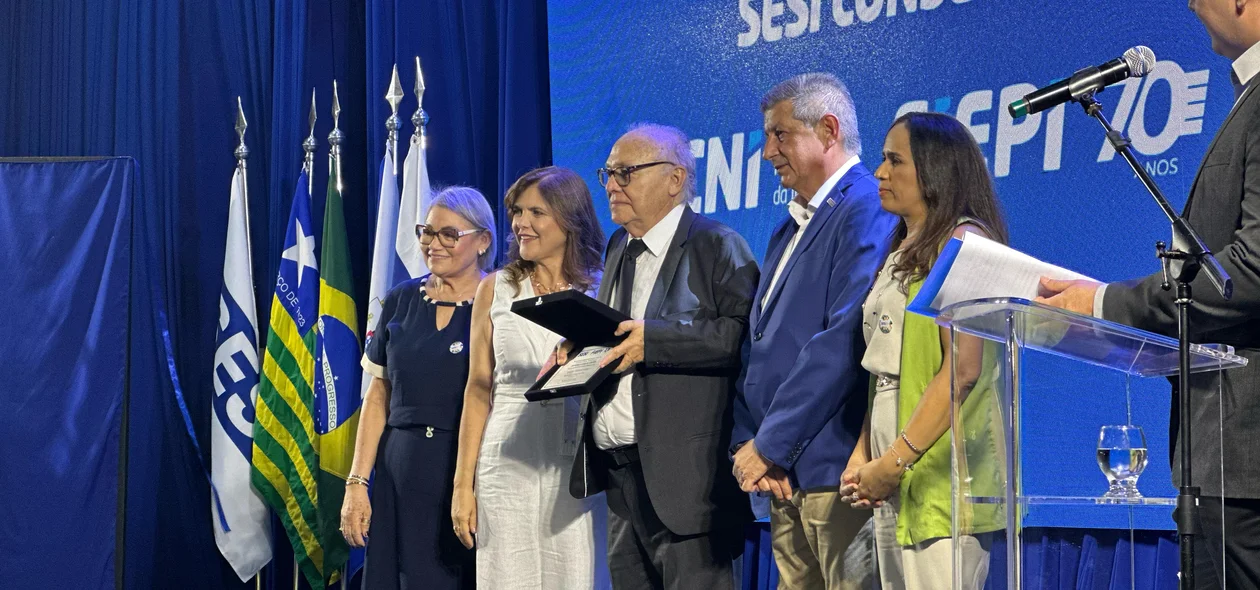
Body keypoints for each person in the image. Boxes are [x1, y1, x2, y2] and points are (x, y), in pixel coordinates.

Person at [1037, 1, 1260, 584]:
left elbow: (1248, 274)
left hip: (1245, 459)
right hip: (1226, 457)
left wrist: (1102, 304)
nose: (1190, 3)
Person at [559, 123, 758, 590]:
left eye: (625, 173)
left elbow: (742, 337)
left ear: (674, 178)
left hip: (687, 485)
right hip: (620, 476)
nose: (610, 185)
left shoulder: (716, 244)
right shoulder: (616, 247)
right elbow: (618, 337)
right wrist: (578, 347)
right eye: (607, 173)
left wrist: (659, 341)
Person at [731, 72, 898, 590]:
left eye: (779, 135)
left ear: (828, 131)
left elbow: (846, 335)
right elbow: (756, 346)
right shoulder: (788, 226)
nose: (766, 153)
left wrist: (772, 444)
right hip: (782, 474)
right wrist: (751, 445)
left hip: (833, 469)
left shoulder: (866, 205)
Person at [840, 112, 1008, 589]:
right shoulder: (899, 249)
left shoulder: (966, 243)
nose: (879, 172)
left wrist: (893, 462)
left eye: (895, 161)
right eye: (882, 159)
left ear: (936, 171)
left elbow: (961, 372)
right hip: (892, 457)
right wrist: (862, 455)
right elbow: (883, 367)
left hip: (941, 474)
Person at [449, 166, 609, 589]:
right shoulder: (496, 288)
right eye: (518, 212)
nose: (521, 223)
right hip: (507, 462)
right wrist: (463, 484)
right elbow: (478, 388)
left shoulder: (602, 289)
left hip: (579, 467)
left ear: (570, 218)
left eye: (536, 212)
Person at [340, 186, 494, 589]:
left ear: (483, 242)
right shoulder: (400, 298)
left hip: (468, 474)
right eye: (427, 231)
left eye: (449, 234)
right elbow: (378, 396)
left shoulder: (500, 303)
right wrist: (357, 484)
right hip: (398, 472)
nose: (433, 244)